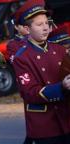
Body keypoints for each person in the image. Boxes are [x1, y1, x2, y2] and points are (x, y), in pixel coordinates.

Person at [11, 0, 70, 144]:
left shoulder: (60, 50)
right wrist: (61, 87)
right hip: (44, 126)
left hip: (66, 119)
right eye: (39, 25)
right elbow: (29, 93)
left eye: (46, 23)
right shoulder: (21, 57)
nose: (45, 28)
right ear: (27, 28)